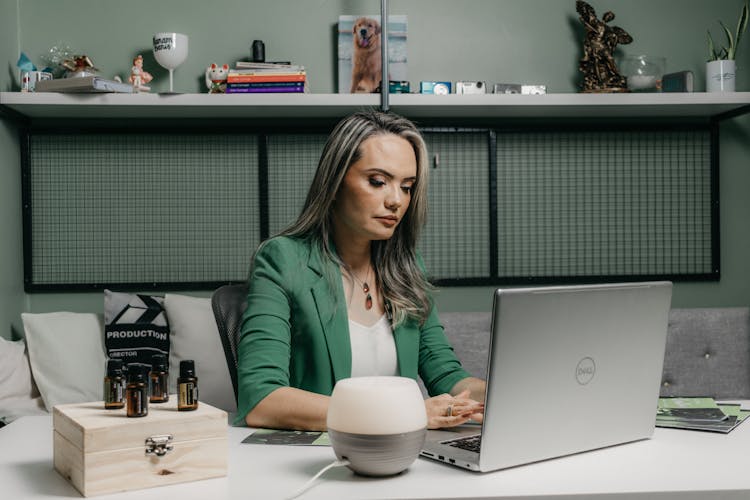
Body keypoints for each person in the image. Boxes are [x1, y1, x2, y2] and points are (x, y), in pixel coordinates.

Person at [236, 110, 486, 431]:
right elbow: (261, 399)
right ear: (337, 180)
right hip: (315, 460)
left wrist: (502, 394)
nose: (396, 200)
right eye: (378, 182)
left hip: (398, 455)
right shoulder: (283, 259)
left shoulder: (407, 268)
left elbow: (447, 376)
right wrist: (401, 413)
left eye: (407, 186)